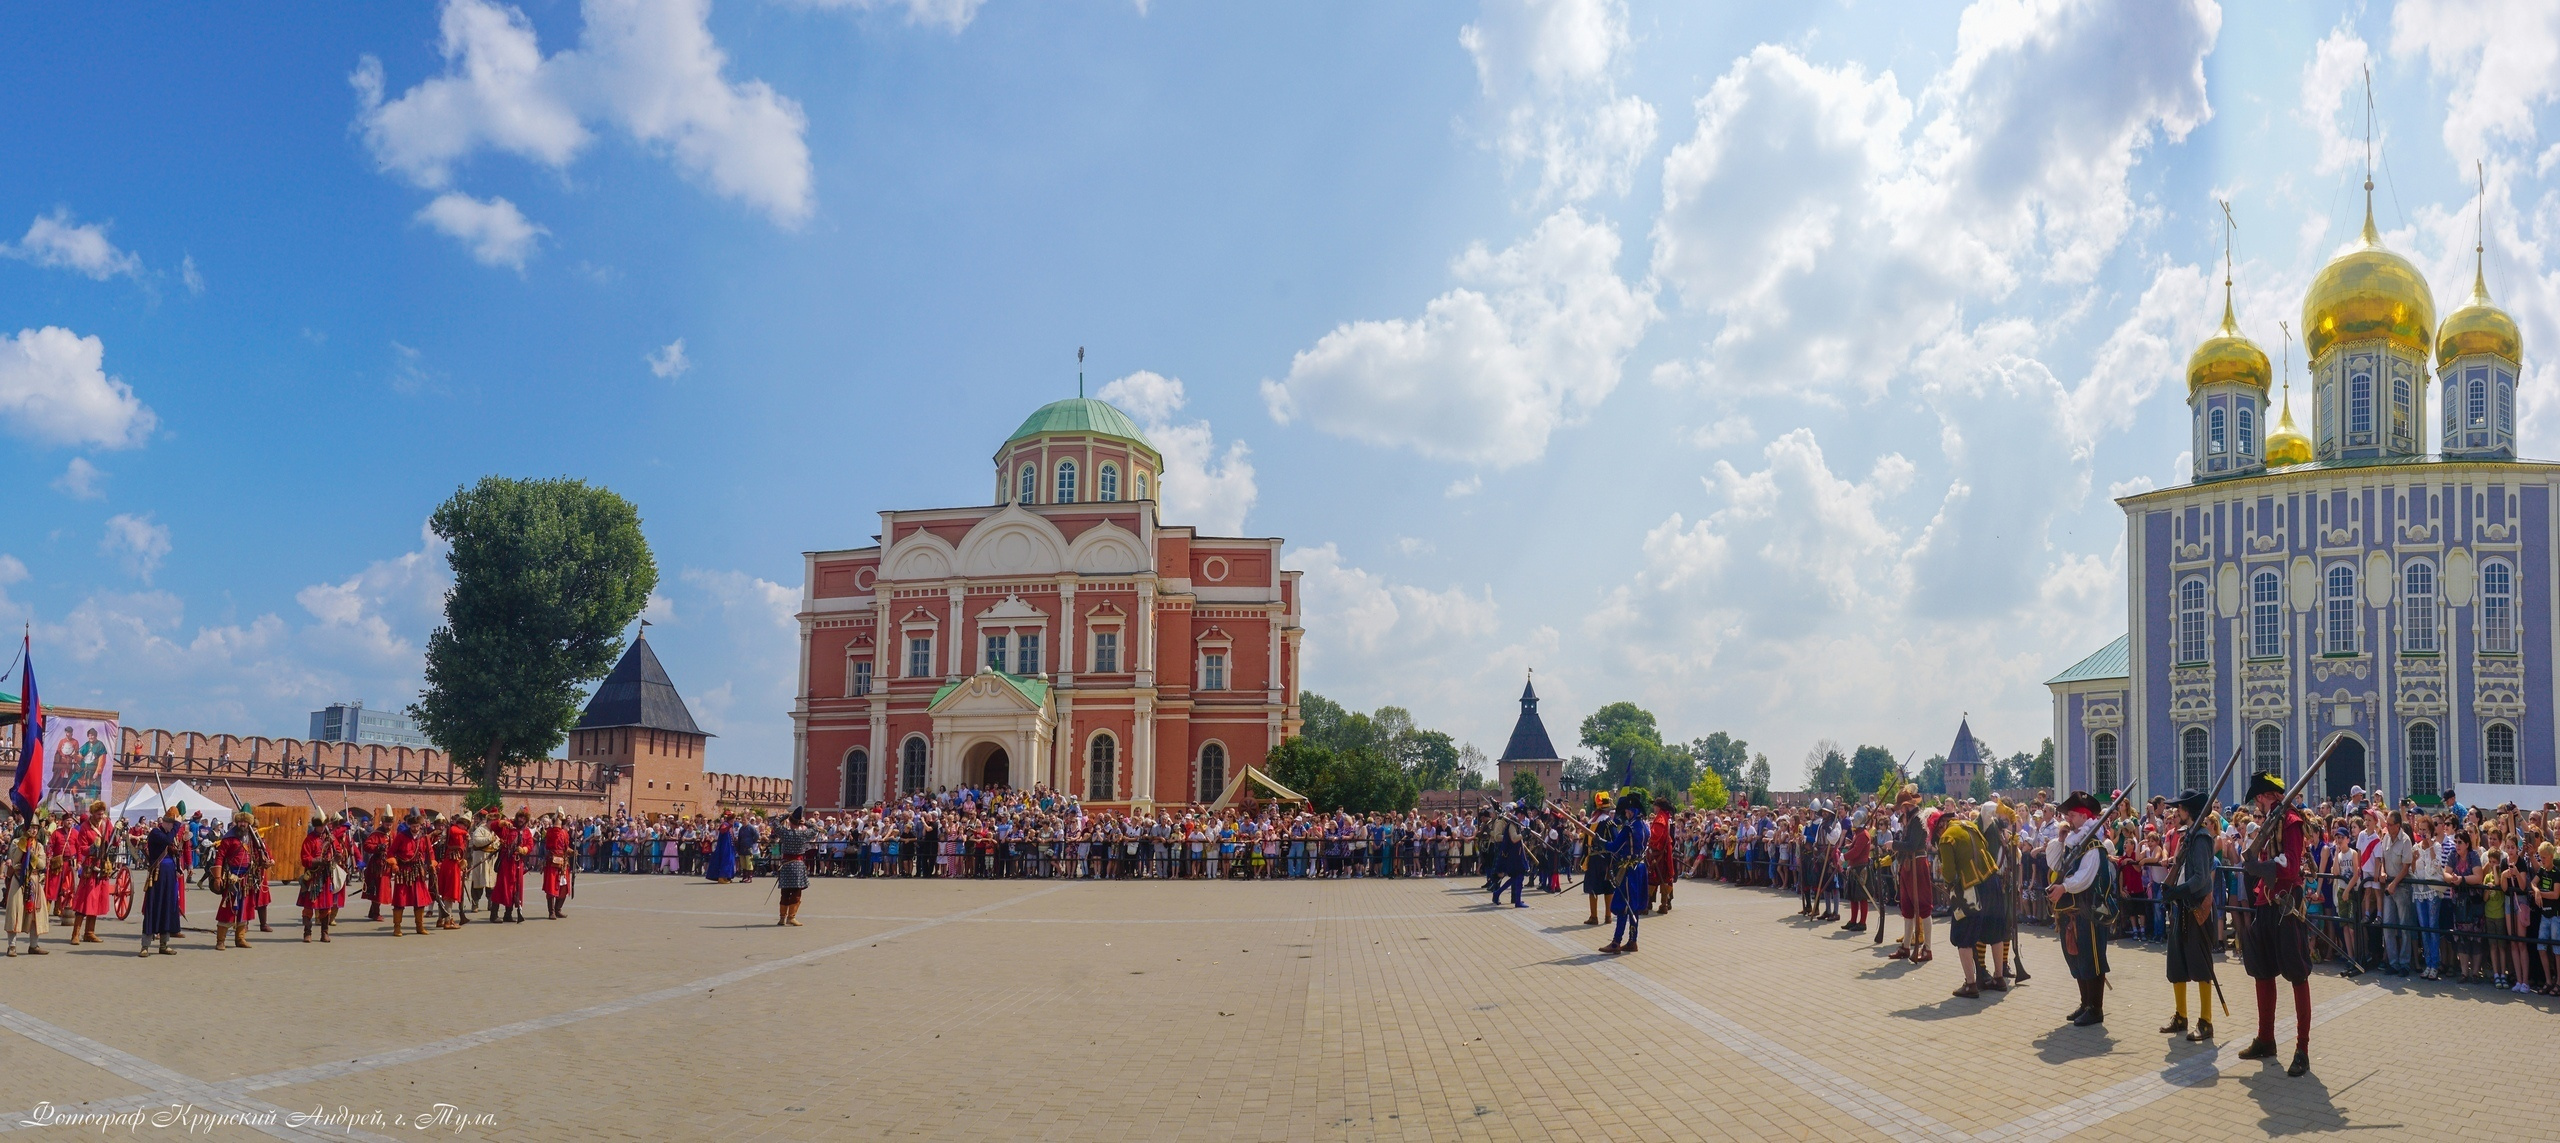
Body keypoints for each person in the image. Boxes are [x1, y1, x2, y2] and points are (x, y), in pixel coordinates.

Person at [2236, 771, 2313, 1077]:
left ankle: (2302, 1049)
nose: (2257, 804)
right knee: (2262, 971)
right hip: (2265, 903)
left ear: (2267, 796)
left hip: (2285, 904)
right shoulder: (2270, 823)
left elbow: (2291, 865)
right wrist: (2255, 867)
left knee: (2297, 974)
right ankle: (2266, 1039)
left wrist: (2261, 866)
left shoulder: (2291, 822)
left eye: (2258, 798)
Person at [2158, 788, 2220, 1042]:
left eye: (2180, 808)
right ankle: (2181, 1016)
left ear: (2188, 811)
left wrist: (2177, 891)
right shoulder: (2189, 835)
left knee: (2201, 965)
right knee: (2176, 964)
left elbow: (2201, 878)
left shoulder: (2202, 838)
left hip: (2196, 908)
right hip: (2183, 906)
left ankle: (2206, 1021)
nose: (2177, 812)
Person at [2046, 790, 2111, 1027]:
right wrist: (2061, 840)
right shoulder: (2073, 842)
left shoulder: (2093, 846)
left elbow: (2085, 878)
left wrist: (2064, 887)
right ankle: (2085, 1004)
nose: (2068, 819)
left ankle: (2095, 1008)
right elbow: (2055, 864)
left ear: (2084, 817)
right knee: (2076, 958)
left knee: (2091, 960)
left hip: (2089, 911)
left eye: (2072, 815)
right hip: (2072, 911)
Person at [1601, 790, 1649, 955]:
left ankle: (1616, 942)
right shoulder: (1645, 826)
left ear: (1633, 810)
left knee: (1623, 905)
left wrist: (1601, 842)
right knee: (1633, 906)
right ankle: (1632, 941)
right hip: (1640, 868)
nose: (1626, 813)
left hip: (1629, 870)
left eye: (1628, 810)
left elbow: (1615, 847)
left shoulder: (1629, 828)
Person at [1891, 789, 1933, 963]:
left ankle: (1927, 948)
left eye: (1902, 807)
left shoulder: (1917, 820)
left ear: (1907, 806)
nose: (1900, 810)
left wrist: (1894, 845)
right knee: (1907, 907)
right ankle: (1906, 946)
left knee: (1923, 907)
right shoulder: (1910, 819)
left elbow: (1912, 845)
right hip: (1908, 865)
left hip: (1917, 865)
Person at [137, 808, 185, 957]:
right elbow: (167, 840)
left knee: (167, 908)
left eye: (173, 824)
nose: (172, 827)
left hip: (169, 876)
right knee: (153, 908)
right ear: (165, 822)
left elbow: (174, 852)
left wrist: (178, 868)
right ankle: (145, 945)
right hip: (157, 876)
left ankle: (164, 944)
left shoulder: (170, 834)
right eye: (171, 824)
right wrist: (177, 825)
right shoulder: (156, 833)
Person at [4, 817, 50, 956]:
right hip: (19, 879)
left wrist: (33, 857)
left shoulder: (39, 845)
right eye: (31, 827)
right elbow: (15, 860)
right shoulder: (16, 842)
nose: (33, 830)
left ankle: (33, 945)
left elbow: (42, 865)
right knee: (15, 912)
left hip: (34, 881)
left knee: (36, 914)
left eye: (36, 828)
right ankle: (12, 946)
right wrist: (23, 845)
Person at [299, 813, 347, 943]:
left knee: (326, 906)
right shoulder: (309, 839)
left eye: (323, 825)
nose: (322, 828)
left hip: (326, 876)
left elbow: (338, 850)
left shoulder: (330, 838)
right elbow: (305, 858)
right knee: (308, 907)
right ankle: (307, 933)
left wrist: (337, 855)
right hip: (313, 876)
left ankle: (324, 933)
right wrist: (318, 860)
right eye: (320, 826)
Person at [386, 813, 433, 937]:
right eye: (413, 826)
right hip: (403, 871)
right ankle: (397, 927)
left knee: (420, 900)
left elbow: (430, 852)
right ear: (409, 825)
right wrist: (394, 864)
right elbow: (391, 852)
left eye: (417, 826)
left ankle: (420, 926)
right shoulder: (401, 836)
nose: (415, 828)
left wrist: (432, 864)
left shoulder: (424, 837)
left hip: (418, 871)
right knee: (399, 900)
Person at [774, 808, 817, 926]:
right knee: (796, 892)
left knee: (785, 892)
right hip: (798, 865)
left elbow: (775, 822)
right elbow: (815, 828)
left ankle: (782, 918)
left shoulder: (784, 833)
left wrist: (786, 815)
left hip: (786, 865)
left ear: (790, 821)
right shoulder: (803, 834)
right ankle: (791, 917)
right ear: (799, 823)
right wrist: (805, 822)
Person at [1583, 792, 1616, 926]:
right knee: (1608, 887)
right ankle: (1608, 916)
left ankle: (1594, 916)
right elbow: (1615, 841)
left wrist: (1584, 859)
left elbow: (1585, 844)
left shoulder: (1591, 823)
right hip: (1606, 859)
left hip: (1593, 859)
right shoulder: (1609, 823)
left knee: (1593, 887)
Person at [492, 809, 529, 923]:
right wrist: (502, 823)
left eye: (524, 818)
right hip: (506, 863)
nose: (521, 819)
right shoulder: (509, 826)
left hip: (517, 863)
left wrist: (524, 849)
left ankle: (508, 914)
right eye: (520, 817)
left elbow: (530, 844)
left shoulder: (526, 831)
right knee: (501, 887)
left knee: (515, 889)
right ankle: (493, 915)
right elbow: (494, 826)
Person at [1488, 804, 1528, 909]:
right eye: (1523, 816)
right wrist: (1523, 834)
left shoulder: (1516, 824)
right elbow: (1514, 838)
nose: (1523, 818)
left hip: (1517, 854)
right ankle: (1516, 901)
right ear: (1519, 814)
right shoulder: (1512, 825)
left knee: (1516, 878)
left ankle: (1499, 893)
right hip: (1513, 856)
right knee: (1518, 877)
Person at [541, 810, 574, 919]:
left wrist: (572, 851)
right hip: (552, 862)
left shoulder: (564, 833)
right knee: (551, 887)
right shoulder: (550, 832)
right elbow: (549, 844)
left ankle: (557, 909)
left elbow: (565, 847)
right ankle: (551, 912)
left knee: (563, 887)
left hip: (563, 863)